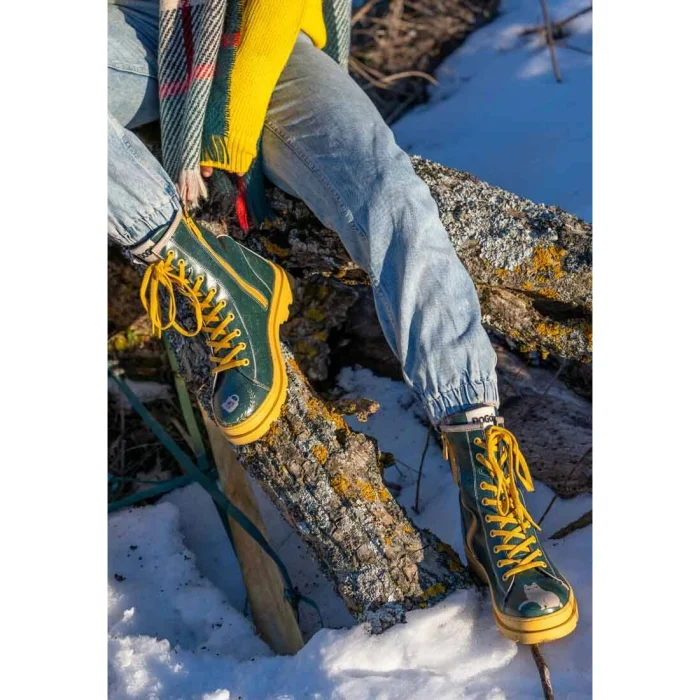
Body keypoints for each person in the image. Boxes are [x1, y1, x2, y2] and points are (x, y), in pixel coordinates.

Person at [108, 0, 578, 644]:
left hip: (256, 33)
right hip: (121, 35)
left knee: (391, 197)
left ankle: (482, 472)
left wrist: (224, 127)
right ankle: (213, 271)